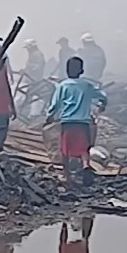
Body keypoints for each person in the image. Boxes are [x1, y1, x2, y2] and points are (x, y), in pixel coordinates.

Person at [46, 56, 108, 186]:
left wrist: (49, 116)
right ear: (82, 71)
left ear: (67, 70)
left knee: (65, 149)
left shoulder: (62, 86)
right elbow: (102, 95)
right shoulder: (86, 85)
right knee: (84, 148)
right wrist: (102, 104)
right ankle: (86, 166)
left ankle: (67, 175)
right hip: (83, 122)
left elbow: (55, 104)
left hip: (67, 121)